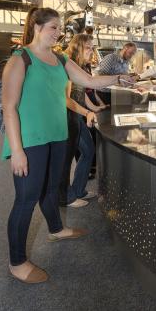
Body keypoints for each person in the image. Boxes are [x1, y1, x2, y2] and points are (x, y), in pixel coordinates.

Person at [2, 7, 134, 284]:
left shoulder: (60, 59)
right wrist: (16, 150)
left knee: (52, 188)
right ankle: (17, 261)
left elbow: (89, 80)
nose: (58, 32)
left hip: (57, 135)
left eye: (59, 27)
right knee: (26, 199)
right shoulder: (20, 59)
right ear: (37, 27)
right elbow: (9, 107)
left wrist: (118, 79)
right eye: (53, 27)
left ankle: (56, 228)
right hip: (29, 140)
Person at [59, 34, 99, 209]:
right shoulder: (67, 67)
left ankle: (79, 189)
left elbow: (81, 94)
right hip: (66, 118)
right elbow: (66, 100)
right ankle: (66, 197)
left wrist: (95, 109)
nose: (92, 51)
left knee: (89, 151)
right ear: (78, 48)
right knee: (66, 159)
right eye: (88, 47)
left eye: (92, 47)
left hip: (77, 117)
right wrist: (87, 112)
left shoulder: (82, 67)